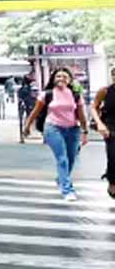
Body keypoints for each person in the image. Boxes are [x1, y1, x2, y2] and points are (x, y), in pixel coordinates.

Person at [23, 68, 89, 201]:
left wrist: (85, 131)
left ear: (69, 80)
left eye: (64, 77)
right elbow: (36, 112)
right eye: (58, 76)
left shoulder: (75, 95)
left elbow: (81, 115)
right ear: (53, 79)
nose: (61, 79)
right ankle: (67, 190)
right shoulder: (47, 94)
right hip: (53, 128)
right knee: (62, 159)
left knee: (71, 159)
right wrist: (27, 126)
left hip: (73, 129)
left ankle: (61, 179)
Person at [90, 66, 115, 199]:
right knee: (113, 155)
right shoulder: (105, 91)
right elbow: (94, 107)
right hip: (110, 126)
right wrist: (99, 123)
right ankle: (112, 180)